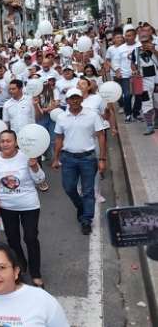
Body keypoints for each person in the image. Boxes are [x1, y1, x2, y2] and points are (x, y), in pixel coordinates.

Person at [0, 130, 46, 287]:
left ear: (16, 143)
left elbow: (41, 179)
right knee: (12, 239)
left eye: (9, 141)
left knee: (30, 237)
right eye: (2, 141)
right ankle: (20, 264)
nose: (5, 144)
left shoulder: (26, 156)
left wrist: (34, 167)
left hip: (29, 204)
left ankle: (36, 273)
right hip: (7, 206)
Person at [52, 89, 108, 235]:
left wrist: (102, 158)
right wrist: (56, 158)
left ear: (81, 99)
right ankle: (81, 207)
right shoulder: (62, 117)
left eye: (77, 98)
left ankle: (86, 220)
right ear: (67, 100)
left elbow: (101, 136)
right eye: (72, 98)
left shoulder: (92, 115)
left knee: (88, 190)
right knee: (69, 188)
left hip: (88, 158)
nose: (75, 101)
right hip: (68, 158)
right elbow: (58, 138)